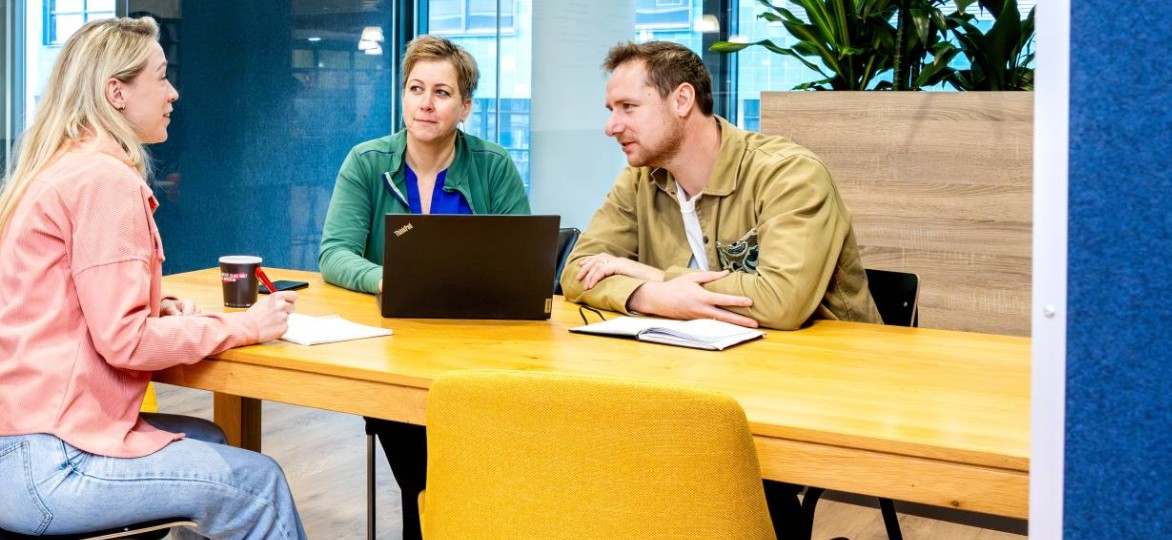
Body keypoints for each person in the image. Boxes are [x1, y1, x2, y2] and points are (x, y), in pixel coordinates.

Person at [0, 17, 306, 540]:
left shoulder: (63, 167)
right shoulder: (104, 180)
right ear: (116, 92)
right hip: (49, 468)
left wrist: (155, 304)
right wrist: (245, 326)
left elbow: (78, 303)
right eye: (161, 76)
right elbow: (124, 341)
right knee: (258, 485)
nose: (173, 92)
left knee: (210, 440)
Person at [561, 40, 882, 540]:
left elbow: (781, 301)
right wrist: (658, 298)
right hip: (707, 378)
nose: (611, 125)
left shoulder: (788, 173)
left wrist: (650, 274)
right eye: (610, 110)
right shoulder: (640, 179)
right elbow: (577, 269)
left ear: (682, 100)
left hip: (818, 388)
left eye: (628, 107)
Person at [316, 35, 529, 540]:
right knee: (422, 468)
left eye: (441, 92)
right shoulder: (367, 162)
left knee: (475, 463)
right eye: (415, 89)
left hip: (478, 348)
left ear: (464, 107)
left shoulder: (493, 165)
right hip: (392, 346)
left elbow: (524, 257)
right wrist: (384, 278)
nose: (426, 103)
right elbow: (335, 253)